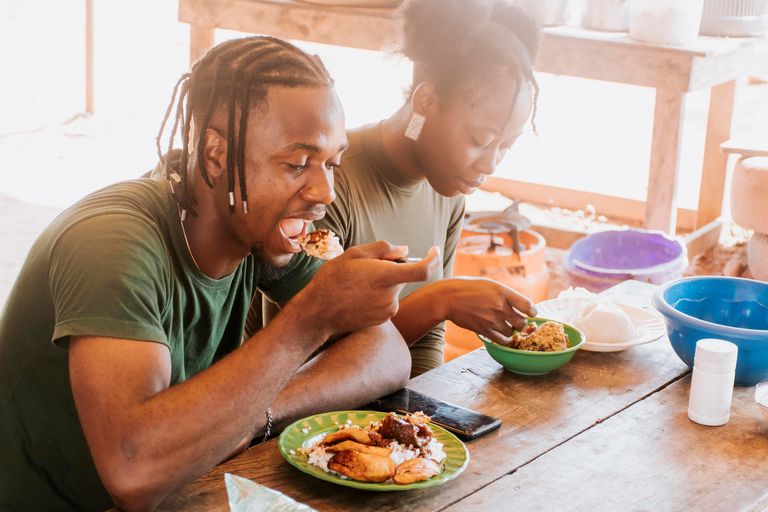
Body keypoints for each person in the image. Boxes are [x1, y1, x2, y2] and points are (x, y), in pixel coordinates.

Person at [0, 36, 439, 512]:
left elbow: (387, 352)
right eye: (296, 164)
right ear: (215, 155)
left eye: (331, 163)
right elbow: (133, 471)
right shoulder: (111, 243)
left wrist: (254, 413)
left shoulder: (253, 230)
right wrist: (309, 320)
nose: (325, 191)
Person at [316, 0, 541, 376]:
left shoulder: (446, 192)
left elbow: (426, 344)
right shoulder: (330, 181)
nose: (489, 165)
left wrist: (431, 423)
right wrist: (440, 300)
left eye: (505, 147)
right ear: (426, 101)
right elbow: (306, 357)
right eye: (479, 140)